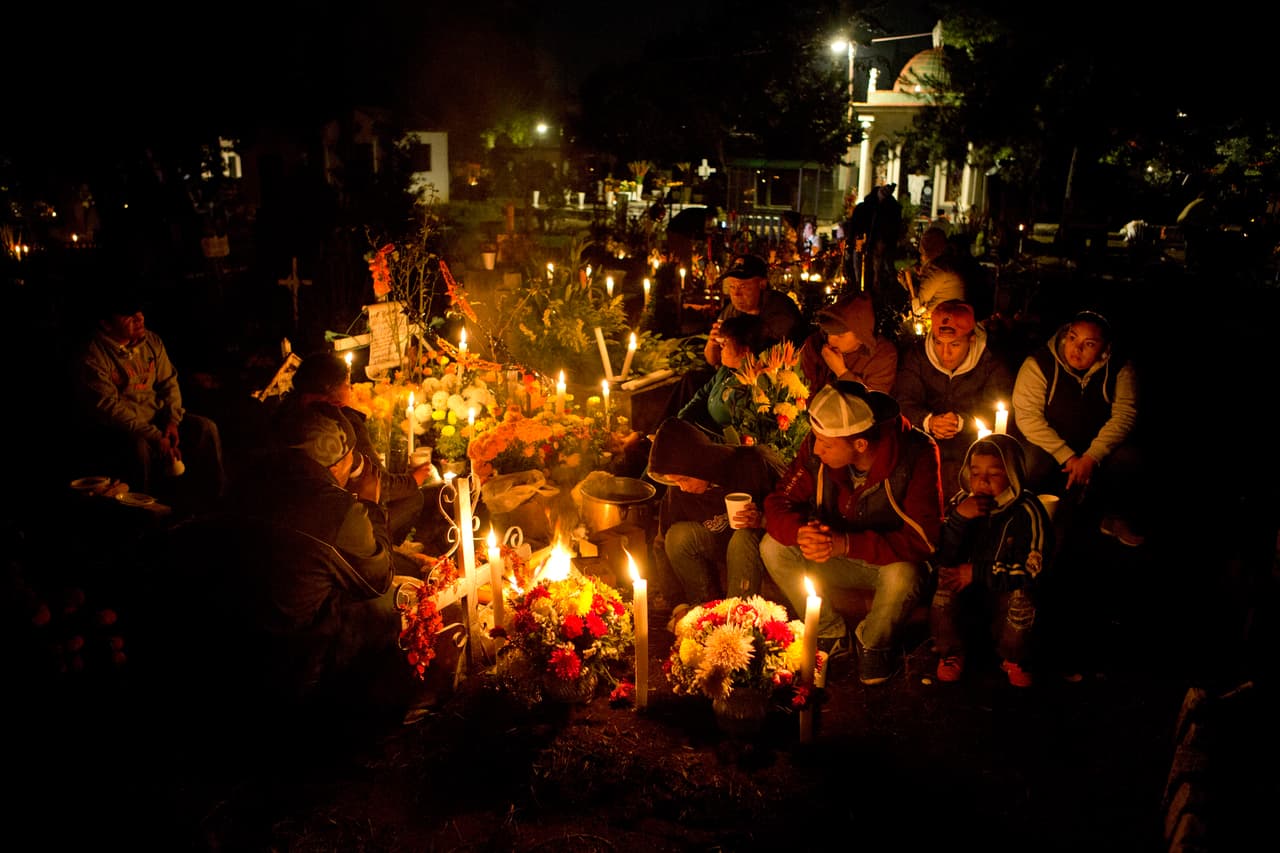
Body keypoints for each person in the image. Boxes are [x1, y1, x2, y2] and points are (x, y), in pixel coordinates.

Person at [760, 381, 943, 685]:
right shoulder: (818, 449)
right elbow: (780, 500)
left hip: (886, 563)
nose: (816, 449)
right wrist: (801, 532)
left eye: (826, 444)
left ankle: (872, 643)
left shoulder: (916, 453)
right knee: (773, 546)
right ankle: (830, 632)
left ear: (859, 444)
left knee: (904, 576)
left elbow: (924, 540)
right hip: (836, 556)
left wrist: (846, 544)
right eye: (816, 440)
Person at [73, 288, 225, 512]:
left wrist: (172, 421)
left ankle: (212, 502)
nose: (139, 318)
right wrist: (154, 435)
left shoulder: (151, 342)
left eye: (139, 311)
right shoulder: (93, 356)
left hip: (159, 421)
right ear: (106, 324)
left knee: (205, 428)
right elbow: (110, 409)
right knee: (139, 447)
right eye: (128, 315)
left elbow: (169, 383)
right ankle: (143, 512)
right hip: (123, 429)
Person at [1010, 309, 1144, 546]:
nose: (1076, 349)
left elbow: (1125, 416)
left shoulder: (1120, 368)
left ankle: (1111, 516)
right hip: (1051, 442)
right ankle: (1023, 514)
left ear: (1104, 348)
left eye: (1089, 344)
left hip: (1097, 443)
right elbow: (1028, 416)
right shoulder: (1040, 364)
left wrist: (1091, 457)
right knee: (1028, 462)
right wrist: (1068, 456)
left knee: (1130, 458)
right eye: (1073, 338)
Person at [930, 434, 1055, 688]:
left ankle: (1014, 657)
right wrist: (958, 520)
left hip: (1004, 592)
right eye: (975, 473)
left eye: (994, 474)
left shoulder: (1027, 511)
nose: (982, 481)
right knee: (945, 580)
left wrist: (977, 572)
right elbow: (943, 556)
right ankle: (952, 651)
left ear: (1013, 474)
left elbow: (1032, 571)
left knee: (1022, 597)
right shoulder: (961, 503)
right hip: (968, 594)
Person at [276, 351, 436, 546]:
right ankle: (390, 550)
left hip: (293, 518)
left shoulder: (286, 415)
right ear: (330, 391)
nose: (351, 389)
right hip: (336, 523)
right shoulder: (339, 424)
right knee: (414, 498)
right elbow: (378, 482)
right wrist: (413, 480)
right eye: (346, 384)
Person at [646, 417, 779, 625]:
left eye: (685, 479)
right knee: (678, 536)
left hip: (758, 546)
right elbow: (662, 544)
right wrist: (678, 604)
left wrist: (762, 519)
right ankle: (705, 612)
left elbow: (790, 504)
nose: (683, 487)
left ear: (700, 464)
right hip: (717, 545)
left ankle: (736, 619)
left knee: (742, 537)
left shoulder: (750, 463)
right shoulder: (679, 492)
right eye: (676, 481)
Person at [892, 300, 1015, 493]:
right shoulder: (917, 356)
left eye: (955, 345)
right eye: (938, 343)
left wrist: (961, 422)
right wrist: (928, 422)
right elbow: (903, 400)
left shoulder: (991, 362)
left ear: (971, 339)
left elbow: (999, 411)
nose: (945, 353)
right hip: (924, 437)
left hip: (972, 439)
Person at [703, 253, 806, 369]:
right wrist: (712, 343)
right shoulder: (732, 310)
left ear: (762, 284)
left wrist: (739, 359)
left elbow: (778, 367)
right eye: (732, 286)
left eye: (743, 287)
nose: (736, 294)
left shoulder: (780, 313)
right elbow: (712, 360)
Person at [677, 314, 763, 435]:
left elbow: (739, 435)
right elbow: (702, 395)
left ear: (745, 350)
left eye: (725, 342)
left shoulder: (751, 385)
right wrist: (680, 422)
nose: (720, 346)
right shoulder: (726, 371)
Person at [799, 292, 899, 394]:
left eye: (840, 335)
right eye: (828, 332)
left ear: (861, 337)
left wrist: (841, 372)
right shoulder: (814, 344)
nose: (831, 340)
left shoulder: (882, 355)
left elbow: (871, 405)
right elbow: (803, 390)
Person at [899, 226, 967, 319]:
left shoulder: (936, 270)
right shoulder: (947, 264)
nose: (921, 258)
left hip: (942, 320)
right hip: (952, 317)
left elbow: (917, 306)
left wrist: (907, 284)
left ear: (928, 251)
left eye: (922, 253)